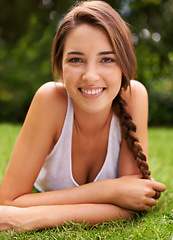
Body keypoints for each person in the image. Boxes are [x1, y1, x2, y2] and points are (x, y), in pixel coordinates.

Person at [0, 0, 166, 232]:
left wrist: (33, 218)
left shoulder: (134, 95)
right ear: (59, 68)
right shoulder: (51, 100)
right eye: (76, 60)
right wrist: (109, 191)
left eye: (107, 59)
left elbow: (133, 203)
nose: (90, 75)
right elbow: (8, 202)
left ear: (124, 66)